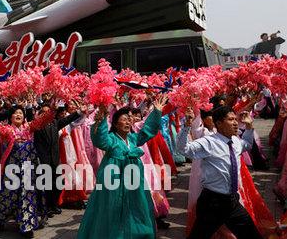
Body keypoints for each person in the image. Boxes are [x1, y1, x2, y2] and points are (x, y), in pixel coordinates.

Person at [77, 95, 167, 239]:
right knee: (113, 211)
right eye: (124, 119)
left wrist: (156, 112)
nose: (128, 121)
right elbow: (100, 140)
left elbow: (148, 131)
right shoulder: (111, 139)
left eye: (129, 119)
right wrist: (102, 118)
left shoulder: (133, 138)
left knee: (135, 209)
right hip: (114, 183)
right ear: (116, 123)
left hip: (134, 184)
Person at [177, 105, 262, 239]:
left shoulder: (236, 141)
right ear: (219, 123)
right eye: (230, 120)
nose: (235, 123)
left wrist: (249, 127)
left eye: (235, 119)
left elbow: (248, 144)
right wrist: (186, 126)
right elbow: (183, 149)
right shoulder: (208, 142)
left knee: (252, 235)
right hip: (212, 202)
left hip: (232, 201)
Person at [0, 106, 55, 238]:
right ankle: (1, 219)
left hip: (28, 170)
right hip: (11, 171)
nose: (18, 115)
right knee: (7, 195)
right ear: (10, 117)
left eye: (21, 113)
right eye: (15, 113)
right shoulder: (7, 129)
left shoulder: (29, 127)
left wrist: (52, 109)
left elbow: (43, 120)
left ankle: (27, 226)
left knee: (27, 195)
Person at [34, 103, 84, 217]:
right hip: (43, 160)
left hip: (55, 160)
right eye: (44, 113)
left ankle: (53, 205)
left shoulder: (55, 123)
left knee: (58, 183)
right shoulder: (37, 126)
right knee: (46, 185)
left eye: (49, 112)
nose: (47, 114)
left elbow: (68, 119)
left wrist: (79, 111)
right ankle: (46, 207)